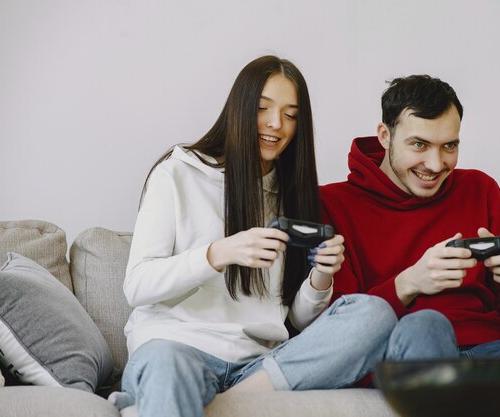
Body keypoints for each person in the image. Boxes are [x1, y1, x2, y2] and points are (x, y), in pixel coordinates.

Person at [109, 56, 397, 417]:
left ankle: (221, 404)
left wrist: (322, 276)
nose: (277, 124)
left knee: (374, 314)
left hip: (259, 366)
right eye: (263, 108)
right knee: (165, 362)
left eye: (291, 115)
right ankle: (186, 397)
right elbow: (137, 286)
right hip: (177, 351)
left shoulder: (291, 193)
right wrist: (217, 253)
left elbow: (297, 319)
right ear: (240, 108)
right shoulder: (179, 173)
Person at [320, 74, 500, 412]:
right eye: (419, 144)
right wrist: (408, 283)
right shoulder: (333, 203)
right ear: (385, 135)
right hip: (403, 352)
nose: (436, 164)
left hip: (495, 356)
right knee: (427, 322)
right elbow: (334, 329)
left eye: (449, 146)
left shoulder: (480, 188)